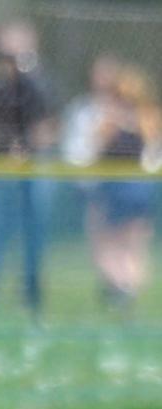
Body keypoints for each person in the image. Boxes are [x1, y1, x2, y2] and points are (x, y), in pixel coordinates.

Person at [0, 22, 57, 315]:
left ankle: (32, 296)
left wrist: (24, 147)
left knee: (33, 234)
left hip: (33, 169)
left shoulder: (41, 83)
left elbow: (50, 127)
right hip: (1, 171)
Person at [65, 60, 160, 309]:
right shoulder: (148, 119)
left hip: (116, 190)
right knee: (134, 247)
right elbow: (153, 157)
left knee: (107, 244)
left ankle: (121, 288)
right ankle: (128, 291)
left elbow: (93, 151)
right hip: (140, 189)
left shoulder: (112, 122)